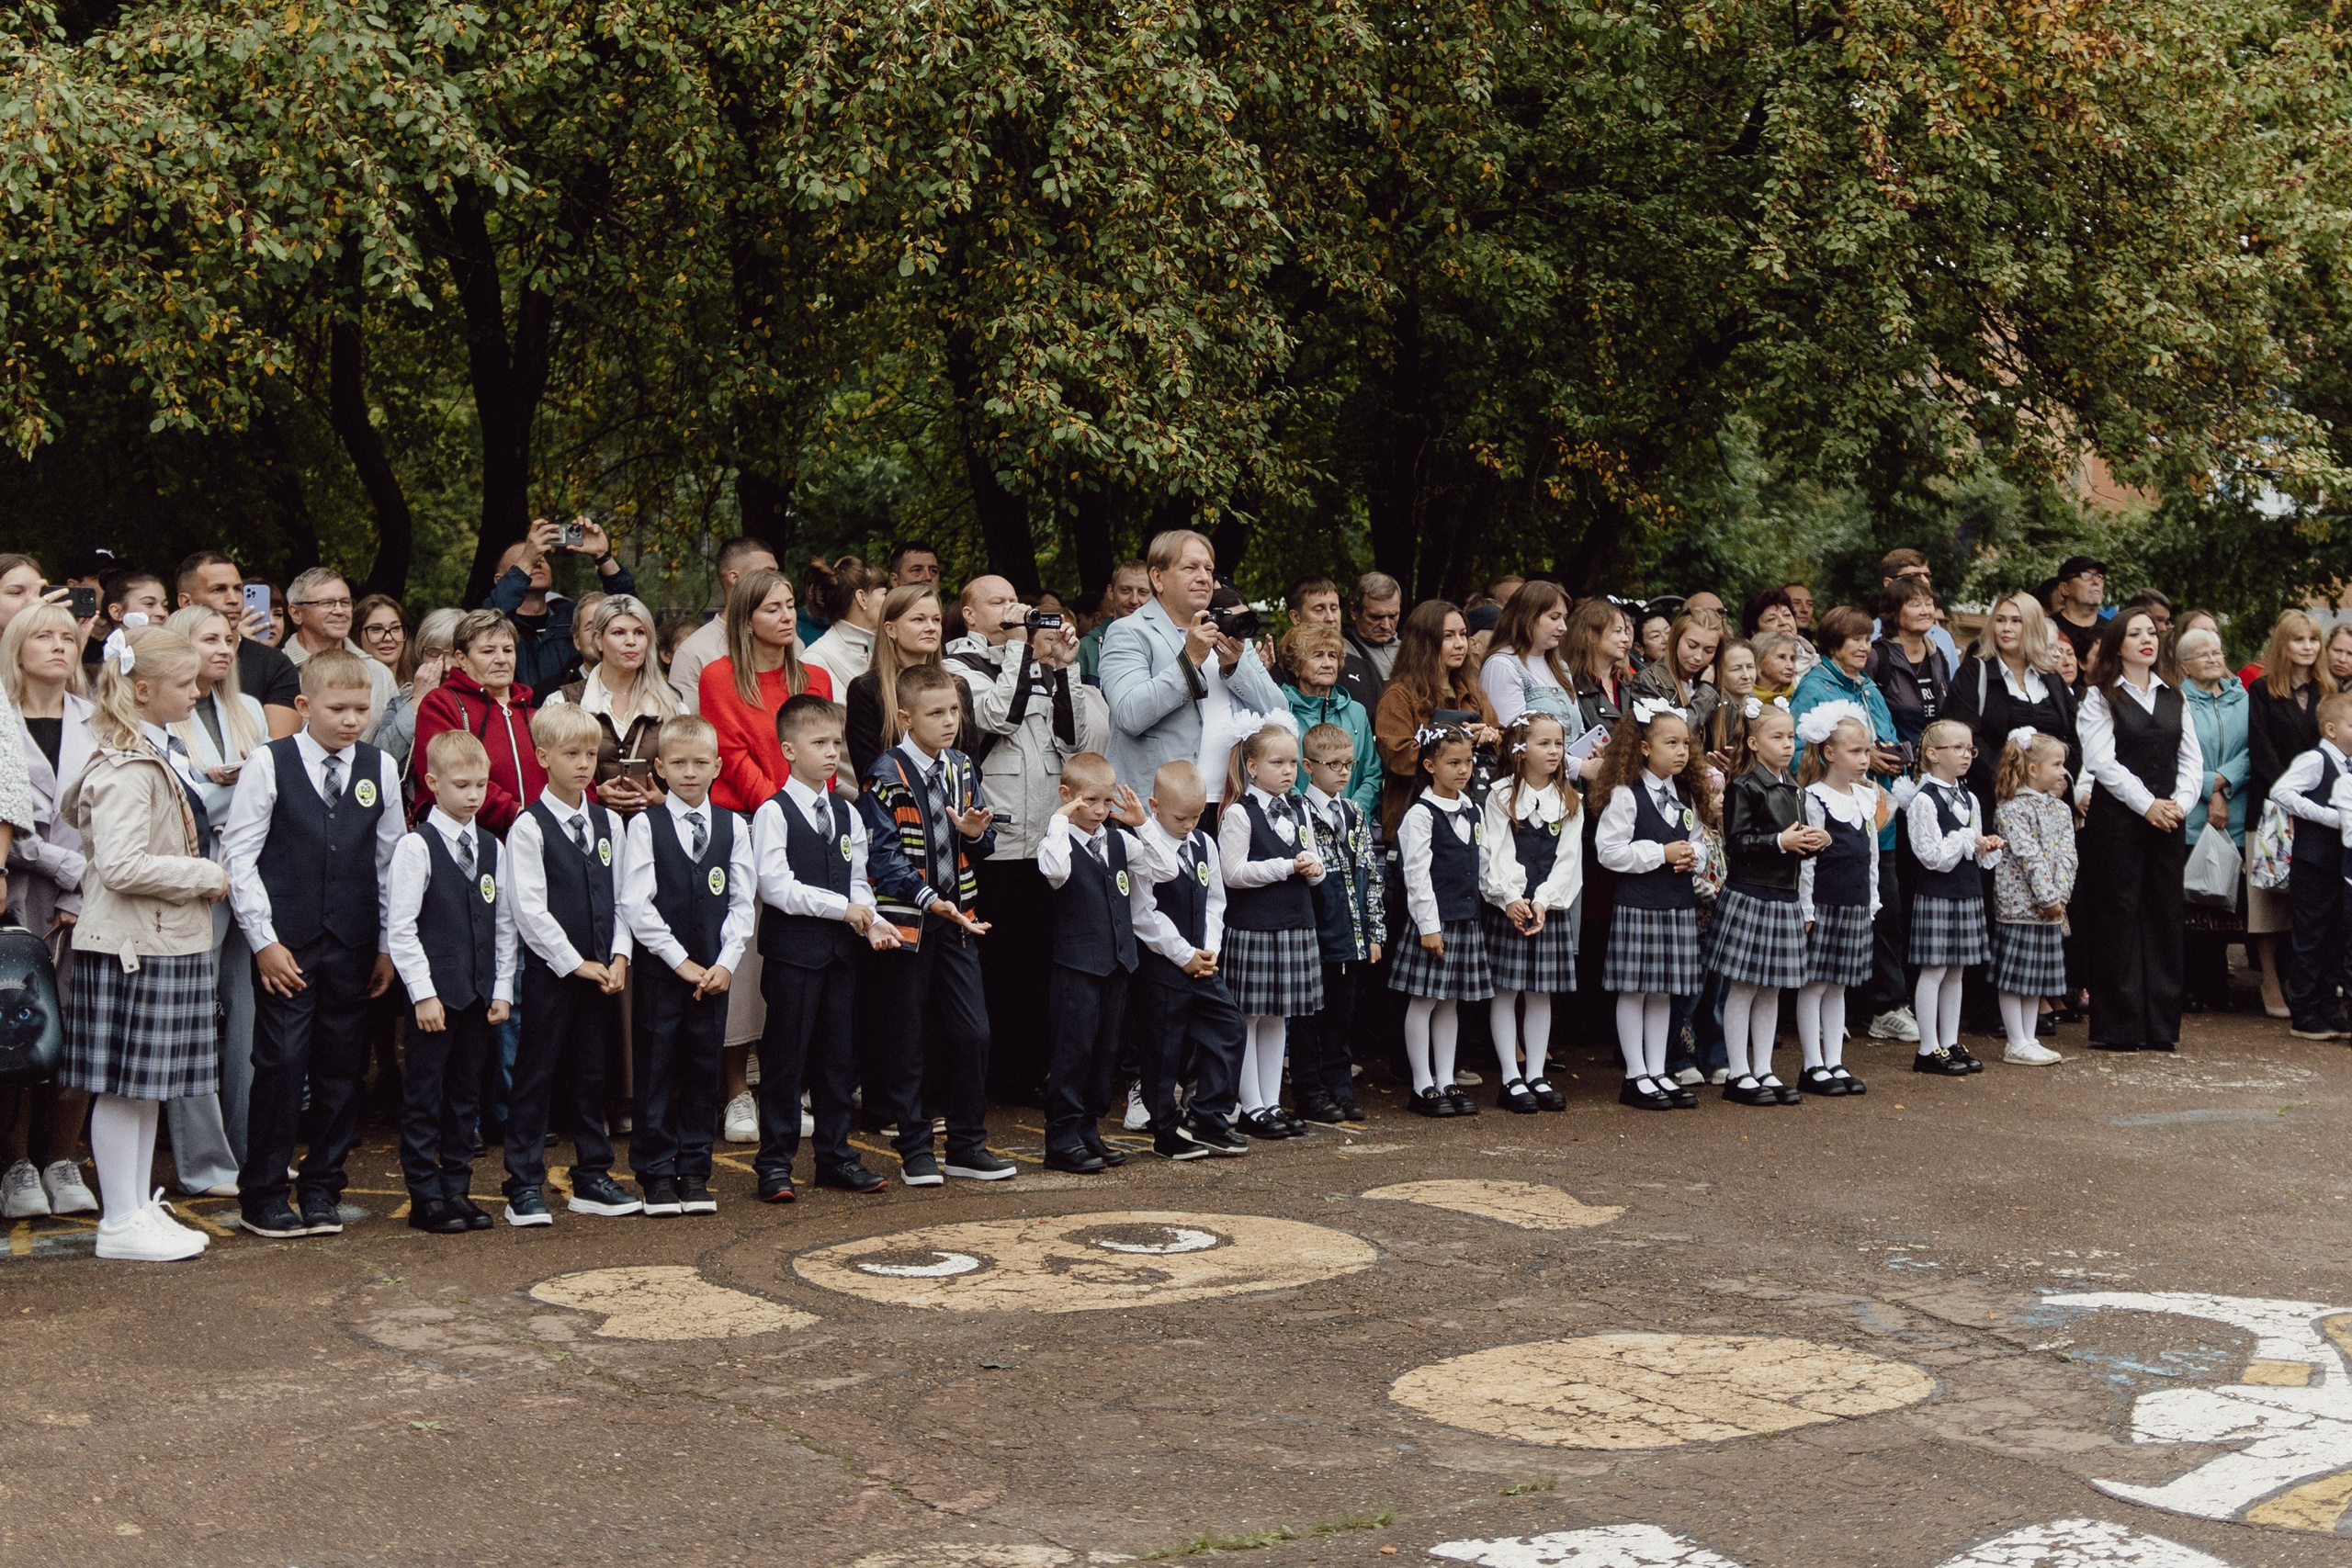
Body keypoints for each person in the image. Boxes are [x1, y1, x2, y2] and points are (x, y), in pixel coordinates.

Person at [222, 649, 402, 1239]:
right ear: (303, 705)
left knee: (341, 1067)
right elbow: (240, 857)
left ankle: (324, 1187)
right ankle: (263, 1192)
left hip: (353, 943)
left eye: (361, 709)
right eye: (338, 708)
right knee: (280, 1064)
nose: (352, 720)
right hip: (287, 945)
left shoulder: (379, 767)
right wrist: (263, 941)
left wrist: (385, 945)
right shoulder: (269, 763)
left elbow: (389, 861)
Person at [58, 626, 224, 1260]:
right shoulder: (126, 767)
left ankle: (134, 1209)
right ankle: (119, 1220)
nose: (196, 691)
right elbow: (122, 865)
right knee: (124, 1087)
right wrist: (204, 875)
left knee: (146, 1087)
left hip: (159, 940)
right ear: (144, 689)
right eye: (184, 683)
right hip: (133, 944)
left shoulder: (154, 751)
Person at [947, 575, 1108, 1099]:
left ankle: (1028, 1074)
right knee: (1000, 965)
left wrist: (1064, 665)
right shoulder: (957, 666)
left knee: (1039, 965)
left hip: (1045, 837)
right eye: (997, 602)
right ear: (970, 615)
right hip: (998, 841)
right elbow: (998, 716)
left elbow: (1073, 740)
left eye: (1014, 600)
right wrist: (1021, 646)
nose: (1011, 608)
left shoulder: (1035, 662)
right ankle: (995, 1077)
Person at [855, 663, 1015, 1185]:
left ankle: (966, 1145)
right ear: (906, 718)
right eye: (936, 713)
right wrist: (929, 900)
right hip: (908, 924)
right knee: (908, 1038)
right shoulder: (885, 773)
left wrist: (973, 833)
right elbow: (883, 857)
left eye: (954, 711)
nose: (950, 722)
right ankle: (915, 1147)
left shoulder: (962, 767)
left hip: (959, 920)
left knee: (974, 1033)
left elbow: (984, 842)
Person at [748, 696, 894, 1202]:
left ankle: (835, 1157)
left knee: (837, 1061)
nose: (832, 753)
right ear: (789, 750)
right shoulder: (773, 812)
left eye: (836, 743)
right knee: (785, 1061)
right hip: (792, 957)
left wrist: (871, 920)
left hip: (839, 957)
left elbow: (858, 880)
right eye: (819, 743)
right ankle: (774, 1164)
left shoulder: (846, 811)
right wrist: (843, 909)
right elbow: (776, 887)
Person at [503, 703, 639, 1224]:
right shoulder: (529, 826)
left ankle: (592, 1174)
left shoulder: (608, 822)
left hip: (603, 972)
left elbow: (624, 896)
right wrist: (573, 962)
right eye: (571, 754)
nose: (584, 765)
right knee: (536, 1074)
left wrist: (620, 954)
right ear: (543, 757)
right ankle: (523, 1182)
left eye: (590, 754)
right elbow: (528, 909)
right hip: (553, 974)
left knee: (592, 1073)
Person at [383, 729, 516, 1234]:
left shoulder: (492, 847)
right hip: (436, 999)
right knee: (425, 1096)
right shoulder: (416, 847)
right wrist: (423, 994)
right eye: (462, 785)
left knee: (466, 1095)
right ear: (432, 783)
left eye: (481, 784)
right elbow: (401, 927)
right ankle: (424, 1193)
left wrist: (502, 989)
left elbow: (504, 925)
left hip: (478, 995)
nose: (474, 795)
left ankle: (457, 1188)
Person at [624, 713, 756, 1214]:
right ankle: (656, 1173)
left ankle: (696, 1170)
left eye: (701, 763)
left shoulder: (733, 827)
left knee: (704, 1069)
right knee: (656, 1069)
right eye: (678, 763)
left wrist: (726, 962)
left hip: (715, 975)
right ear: (659, 768)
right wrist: (680, 961)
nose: (689, 772)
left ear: (717, 766)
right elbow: (636, 903)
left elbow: (742, 902)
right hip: (663, 973)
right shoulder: (646, 825)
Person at [158, 605, 267, 1198]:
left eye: (229, 638)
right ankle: (203, 1163)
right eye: (209, 639)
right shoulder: (161, 712)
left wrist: (229, 789)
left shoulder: (247, 708)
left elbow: (268, 797)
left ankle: (253, 1154)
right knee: (193, 1020)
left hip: (246, 877)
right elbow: (176, 803)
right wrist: (233, 789)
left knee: (249, 1017)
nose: (225, 648)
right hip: (192, 879)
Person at [1, 601, 97, 1220]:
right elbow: (8, 821)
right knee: (18, 1030)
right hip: (18, 895)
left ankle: (63, 1159)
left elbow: (117, 814)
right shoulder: (1, 718)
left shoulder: (101, 718)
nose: (60, 644)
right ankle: (14, 1165)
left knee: (81, 1025)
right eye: (44, 635)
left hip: (91, 898)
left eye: (68, 635)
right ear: (16, 646)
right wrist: (67, 872)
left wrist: (79, 889)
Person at [2075, 608, 2201, 1052]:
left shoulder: (2175, 695)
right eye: (2135, 633)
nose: (2147, 640)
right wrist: (2147, 804)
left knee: (2165, 914)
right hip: (2118, 821)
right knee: (2119, 915)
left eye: (2152, 632)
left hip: (2168, 819)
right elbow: (2101, 762)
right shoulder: (2099, 697)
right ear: (2118, 643)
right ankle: (2119, 1027)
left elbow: (2191, 759)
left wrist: (2180, 804)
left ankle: (2161, 1026)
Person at [1791, 607, 1913, 1043]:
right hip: (1834, 817)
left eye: (1867, 639)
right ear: (1832, 643)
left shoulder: (1869, 686)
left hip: (1876, 817)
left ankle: (1881, 1006)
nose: (1864, 647)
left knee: (1884, 912)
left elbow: (1885, 735)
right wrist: (1864, 760)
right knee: (1833, 918)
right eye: (1854, 639)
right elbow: (1798, 750)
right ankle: (1850, 1010)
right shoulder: (1814, 687)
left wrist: (1889, 754)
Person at [1035, 754, 1156, 1172]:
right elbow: (1055, 872)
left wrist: (1143, 825)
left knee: (1104, 1052)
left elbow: (1163, 869)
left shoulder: (1120, 841)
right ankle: (1061, 1139)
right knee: (1073, 1053)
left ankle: (1088, 1130)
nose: (1101, 810)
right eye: (1091, 801)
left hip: (1116, 963)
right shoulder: (1057, 842)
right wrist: (1058, 820)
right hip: (1077, 967)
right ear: (1068, 796)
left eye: (1108, 801)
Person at [1098, 529, 1287, 793]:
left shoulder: (1230, 631)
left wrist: (1235, 668)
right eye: (1190, 568)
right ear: (1158, 578)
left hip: (1230, 803)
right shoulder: (1128, 632)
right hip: (1157, 806)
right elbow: (1129, 716)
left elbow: (1280, 714)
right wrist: (1189, 661)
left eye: (1208, 569)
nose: (1203, 578)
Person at [1594, 700, 1713, 1111]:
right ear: (1644, 748)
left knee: (1663, 991)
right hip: (1640, 904)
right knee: (1635, 990)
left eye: (1686, 744)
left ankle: (1658, 1070)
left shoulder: (1684, 794)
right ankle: (1635, 1075)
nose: (1682, 751)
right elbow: (1609, 851)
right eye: (1671, 743)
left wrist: (1692, 855)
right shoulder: (1626, 794)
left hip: (1677, 903)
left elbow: (1697, 838)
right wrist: (1660, 853)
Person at [1217, 725, 1327, 1138]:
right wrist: (1286, 867)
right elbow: (1232, 873)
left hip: (1295, 925)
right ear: (1251, 766)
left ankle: (1272, 1101)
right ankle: (1251, 1105)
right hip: (1255, 927)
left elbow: (1314, 863)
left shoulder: (1299, 809)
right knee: (1249, 1016)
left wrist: (1314, 869)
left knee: (1279, 1014)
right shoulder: (1239, 813)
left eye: (1293, 763)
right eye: (1277, 762)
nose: (1288, 771)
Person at [1711, 704, 1820, 1105]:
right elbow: (1737, 843)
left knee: (1771, 988)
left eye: (1791, 737)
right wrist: (1780, 842)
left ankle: (1764, 1069)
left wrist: (1814, 842)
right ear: (1754, 743)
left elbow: (1795, 841)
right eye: (1778, 737)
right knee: (1743, 987)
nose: (1788, 744)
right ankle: (1738, 1072)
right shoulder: (1744, 786)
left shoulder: (1795, 787)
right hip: (1751, 893)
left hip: (1784, 895)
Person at [1389, 724, 1494, 1117]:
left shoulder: (1474, 809)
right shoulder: (1421, 814)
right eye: (1453, 763)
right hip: (1434, 921)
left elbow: (1483, 866)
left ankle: (1446, 1079)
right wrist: (1428, 926)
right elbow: (1416, 874)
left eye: (1468, 762)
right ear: (1430, 765)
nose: (1464, 770)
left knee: (1450, 1002)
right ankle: (1421, 1084)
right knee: (1424, 1000)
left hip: (1466, 919)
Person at [1480, 714, 1580, 1113]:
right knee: (1506, 991)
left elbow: (1569, 860)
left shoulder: (1569, 800)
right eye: (1544, 743)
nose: (1554, 751)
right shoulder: (1501, 795)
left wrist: (1543, 900)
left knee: (1541, 992)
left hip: (1545, 908)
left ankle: (1536, 1073)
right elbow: (1494, 852)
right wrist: (1512, 897)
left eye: (1559, 743)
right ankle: (1510, 1075)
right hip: (1509, 907)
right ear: (1521, 750)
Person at [2245, 610, 2333, 1020]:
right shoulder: (2263, 690)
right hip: (2272, 807)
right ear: (2284, 644)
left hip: (2319, 809)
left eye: (2313, 639)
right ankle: (2270, 980)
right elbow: (2260, 747)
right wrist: (2289, 791)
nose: (2308, 647)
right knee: (2268, 906)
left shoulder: (2328, 690)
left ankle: (2310, 985)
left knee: (2314, 903)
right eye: (2299, 639)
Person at [1293, 723, 1381, 1125]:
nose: (1344, 772)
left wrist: (1373, 932)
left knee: (1341, 1018)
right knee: (1308, 1018)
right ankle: (1309, 1092)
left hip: (1350, 934)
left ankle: (1340, 1089)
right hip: (1315, 933)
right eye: (1334, 764)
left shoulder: (1355, 813)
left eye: (1349, 764)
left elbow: (1371, 874)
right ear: (1308, 766)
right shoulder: (1298, 812)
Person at [1905, 718, 2001, 1077]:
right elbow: (1931, 857)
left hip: (1966, 890)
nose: (1966, 755)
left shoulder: (1969, 797)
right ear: (1932, 754)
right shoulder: (1923, 800)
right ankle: (1928, 1048)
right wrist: (1966, 838)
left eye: (1970, 748)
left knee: (1956, 971)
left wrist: (1985, 845)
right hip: (1938, 893)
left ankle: (1949, 1041)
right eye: (1957, 748)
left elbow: (1972, 849)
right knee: (1934, 970)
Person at [1793, 705, 1879, 1096]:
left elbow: (1870, 855)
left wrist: (1872, 900)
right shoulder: (1814, 798)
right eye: (1855, 751)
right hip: (1824, 904)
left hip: (1855, 903)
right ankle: (1812, 1064)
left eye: (1866, 751)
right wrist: (1806, 908)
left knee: (1839, 985)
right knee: (1815, 984)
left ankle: (1835, 1061)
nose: (1864, 759)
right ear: (1829, 753)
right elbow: (1808, 862)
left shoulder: (1865, 797)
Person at [701, 568, 831, 822]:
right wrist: (783, 814)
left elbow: (826, 753)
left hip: (813, 814)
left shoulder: (816, 678)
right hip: (746, 819)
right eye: (773, 610)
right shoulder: (717, 677)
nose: (787, 617)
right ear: (747, 621)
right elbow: (733, 759)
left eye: (790, 606)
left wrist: (812, 809)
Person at [1942, 591, 2079, 820]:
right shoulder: (1974, 673)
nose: (2006, 628)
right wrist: (2013, 783)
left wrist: (2061, 779)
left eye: (2016, 621)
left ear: (2033, 625)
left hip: (2052, 806)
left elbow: (2074, 737)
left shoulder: (2051, 677)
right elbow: (1965, 736)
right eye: (2000, 620)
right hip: (1994, 803)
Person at [410, 610, 545, 835]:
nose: (501, 659)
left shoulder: (535, 714)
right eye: (488, 651)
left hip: (540, 840)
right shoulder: (441, 704)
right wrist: (518, 815)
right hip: (475, 843)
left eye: (508, 650)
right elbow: (449, 775)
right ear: (462, 659)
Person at [547, 592, 681, 818]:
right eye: (619, 633)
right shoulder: (561, 702)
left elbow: (692, 775)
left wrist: (665, 802)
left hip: (653, 829)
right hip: (589, 827)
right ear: (598, 640)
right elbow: (545, 778)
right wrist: (593, 795)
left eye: (639, 633)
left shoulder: (672, 705)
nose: (631, 641)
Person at [1374, 600, 1499, 836]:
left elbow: (1504, 741)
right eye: (1448, 636)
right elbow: (1398, 756)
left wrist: (1490, 737)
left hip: (1470, 815)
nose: (1460, 643)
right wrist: (1459, 739)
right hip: (1415, 819)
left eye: (1463, 634)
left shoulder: (1472, 691)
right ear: (1424, 643)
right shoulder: (1399, 695)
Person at [2268, 689, 2352, 1040]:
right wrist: (2328, 816)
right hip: (2313, 862)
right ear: (2331, 729)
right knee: (2311, 936)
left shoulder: (2348, 767)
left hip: (2339, 866)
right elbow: (2281, 791)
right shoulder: (2316, 760)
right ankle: (2303, 1011)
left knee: (2336, 937)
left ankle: (2329, 1008)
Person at [1990, 730, 2075, 1067]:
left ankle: (2029, 1037)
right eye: (2057, 764)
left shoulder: (2061, 809)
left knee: (2035, 975)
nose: (2063, 771)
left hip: (2051, 908)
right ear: (2033, 769)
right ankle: (2016, 1041)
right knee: (2016, 977)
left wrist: (2060, 897)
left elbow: (2068, 854)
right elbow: (2029, 856)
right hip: (2021, 906)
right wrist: (2047, 896)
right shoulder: (2011, 809)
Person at [2176, 626, 2248, 1012]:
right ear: (2185, 664)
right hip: (2193, 811)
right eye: (2203, 654)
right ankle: (2188, 985)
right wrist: (2209, 788)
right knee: (2191, 901)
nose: (2213, 658)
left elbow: (2253, 747)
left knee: (2224, 901)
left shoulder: (2243, 698)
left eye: (2217, 652)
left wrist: (2225, 780)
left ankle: (2216, 983)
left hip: (2234, 810)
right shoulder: (2177, 700)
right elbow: (2177, 751)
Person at [482, 515, 636, 694]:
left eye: (542, 558)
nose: (537, 562)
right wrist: (527, 560)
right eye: (526, 559)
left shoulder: (571, 616)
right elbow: (487, 620)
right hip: (519, 709)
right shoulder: (500, 625)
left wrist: (603, 556)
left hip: (576, 708)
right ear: (500, 580)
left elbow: (628, 612)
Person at [175, 552, 300, 739]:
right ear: (186, 602)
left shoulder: (274, 664)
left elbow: (278, 748)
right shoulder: (161, 662)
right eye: (218, 590)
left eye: (238, 589)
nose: (233, 599)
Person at [847, 585, 960, 784]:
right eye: (918, 620)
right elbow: (868, 771)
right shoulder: (867, 689)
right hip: (892, 799)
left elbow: (969, 767)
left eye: (936, 619)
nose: (931, 627)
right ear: (890, 629)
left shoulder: (957, 686)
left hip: (952, 799)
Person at [1280, 623, 1380, 823]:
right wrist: (1309, 816)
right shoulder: (1281, 710)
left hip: (1352, 824)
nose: (1327, 664)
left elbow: (1372, 774)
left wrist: (1351, 814)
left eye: (1332, 656)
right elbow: (1277, 774)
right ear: (1296, 665)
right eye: (1318, 656)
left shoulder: (1357, 712)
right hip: (1299, 824)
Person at [671, 537, 781, 713]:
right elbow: (686, 723)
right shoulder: (694, 651)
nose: (776, 580)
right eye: (767, 573)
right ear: (734, 577)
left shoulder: (787, 640)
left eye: (776, 573)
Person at [283, 568, 399, 729]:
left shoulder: (379, 674)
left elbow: (394, 740)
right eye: (326, 603)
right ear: (296, 613)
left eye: (345, 602)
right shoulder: (276, 670)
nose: (339, 611)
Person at [374, 607, 460, 797]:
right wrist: (419, 701)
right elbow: (380, 762)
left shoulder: (489, 701)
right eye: (433, 653)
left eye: (453, 653)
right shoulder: (401, 703)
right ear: (420, 655)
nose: (445, 665)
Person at [1479, 580, 1579, 729]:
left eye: (1564, 618)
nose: (1563, 627)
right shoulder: (1502, 665)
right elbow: (1509, 734)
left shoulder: (1561, 666)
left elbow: (1578, 729)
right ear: (1527, 618)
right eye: (1554, 618)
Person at [1866, 578, 1950, 751]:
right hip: (1892, 760)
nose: (1925, 611)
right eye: (1916, 605)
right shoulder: (1876, 657)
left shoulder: (1937, 655)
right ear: (1894, 613)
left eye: (1929, 604)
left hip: (1932, 761)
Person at [1626, 609, 1724, 738]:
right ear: (1675, 640)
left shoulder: (1715, 681)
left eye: (1709, 650)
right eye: (1692, 646)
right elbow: (1670, 737)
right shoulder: (1649, 680)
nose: (1698, 656)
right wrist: (1705, 695)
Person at [803, 555, 889, 695]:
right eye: (884, 594)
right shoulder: (814, 660)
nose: (888, 602)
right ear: (862, 598)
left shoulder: (871, 654)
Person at [1873, 549, 1962, 670]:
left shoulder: (1943, 637)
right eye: (1914, 576)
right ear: (1888, 583)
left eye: (1927, 576)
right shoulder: (1868, 637)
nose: (1925, 582)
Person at [1079, 560, 1153, 686]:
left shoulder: (1164, 641)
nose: (1134, 600)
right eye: (1125, 590)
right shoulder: (1086, 647)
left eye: (1142, 592)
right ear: (1111, 592)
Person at [1340, 571, 1404, 711]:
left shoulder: (1411, 651)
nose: (1386, 625)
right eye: (1376, 617)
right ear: (1354, 611)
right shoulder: (1338, 652)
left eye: (1393, 616)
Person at [2049, 554, 2110, 671]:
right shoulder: (2047, 629)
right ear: (2064, 588)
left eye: (2100, 576)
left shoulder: (2113, 629)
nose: (2096, 581)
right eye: (2086, 575)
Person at [355, 594, 409, 686]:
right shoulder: (346, 686)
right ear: (357, 634)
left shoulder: (420, 680)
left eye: (395, 628)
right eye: (376, 629)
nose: (388, 638)